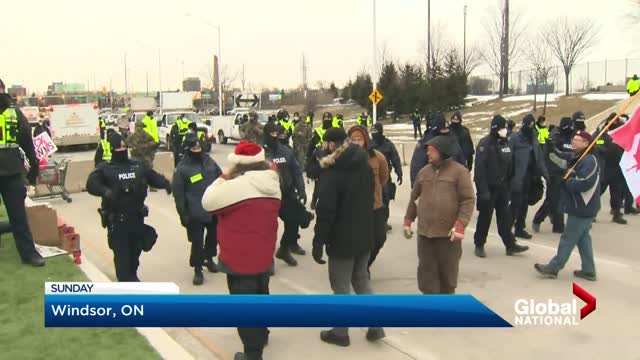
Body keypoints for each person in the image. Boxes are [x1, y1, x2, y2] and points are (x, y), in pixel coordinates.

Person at [202, 141, 280, 360]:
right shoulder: (272, 181)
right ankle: (262, 334)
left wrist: (224, 176)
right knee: (261, 295)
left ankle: (252, 354)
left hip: (238, 257)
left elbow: (208, 201)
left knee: (244, 309)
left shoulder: (238, 186)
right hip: (263, 252)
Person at [312, 127, 386, 347]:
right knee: (361, 279)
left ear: (332, 145)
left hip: (342, 239)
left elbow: (326, 212)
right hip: (364, 233)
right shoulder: (363, 165)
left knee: (341, 287)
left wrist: (318, 242)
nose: (323, 147)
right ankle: (375, 325)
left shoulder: (332, 172)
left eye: (325, 144)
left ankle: (340, 332)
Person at [86, 132, 172, 281]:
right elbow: (91, 184)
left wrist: (166, 184)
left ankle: (132, 278)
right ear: (112, 150)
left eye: (124, 147)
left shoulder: (137, 166)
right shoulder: (105, 169)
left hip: (137, 219)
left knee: (134, 256)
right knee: (123, 260)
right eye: (118, 148)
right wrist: (106, 191)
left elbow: (153, 177)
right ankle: (129, 286)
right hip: (117, 222)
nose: (122, 150)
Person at [404, 135, 475, 293]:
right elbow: (414, 198)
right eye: (427, 151)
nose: (427, 154)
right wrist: (408, 220)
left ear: (442, 152)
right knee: (426, 277)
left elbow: (468, 200)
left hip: (448, 236)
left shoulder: (459, 172)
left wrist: (460, 225)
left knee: (447, 277)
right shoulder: (423, 172)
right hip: (425, 235)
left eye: (431, 151)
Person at [534, 130, 600, 281]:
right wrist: (552, 149)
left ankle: (553, 267)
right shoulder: (579, 156)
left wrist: (568, 180)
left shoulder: (589, 160)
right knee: (583, 240)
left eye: (577, 140)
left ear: (586, 144)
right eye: (574, 139)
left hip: (583, 207)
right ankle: (589, 270)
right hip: (580, 206)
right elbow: (564, 157)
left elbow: (585, 183)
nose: (574, 141)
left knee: (568, 239)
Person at [0, 79, 44, 267]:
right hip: (11, 170)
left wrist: (33, 168)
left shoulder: (13, 112)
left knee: (18, 217)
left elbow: (26, 138)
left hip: (11, 172)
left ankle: (28, 253)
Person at [473, 116, 529, 258]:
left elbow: (510, 164)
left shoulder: (505, 144)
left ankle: (510, 245)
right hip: (488, 188)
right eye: (503, 128)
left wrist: (509, 184)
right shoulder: (485, 144)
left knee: (505, 217)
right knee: (485, 217)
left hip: (502, 187)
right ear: (496, 129)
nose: (505, 130)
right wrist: (483, 191)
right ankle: (479, 244)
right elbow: (479, 170)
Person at [172, 133, 222, 285]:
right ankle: (198, 268)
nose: (197, 150)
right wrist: (183, 214)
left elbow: (221, 178)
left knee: (213, 237)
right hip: (194, 212)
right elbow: (178, 194)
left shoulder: (209, 161)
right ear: (188, 149)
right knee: (197, 242)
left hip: (212, 209)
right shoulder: (182, 169)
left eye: (199, 147)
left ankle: (209, 258)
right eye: (194, 148)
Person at [263, 122, 307, 266]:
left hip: (286, 193)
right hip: (266, 196)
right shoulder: (258, 152)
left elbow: (296, 170)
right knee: (267, 229)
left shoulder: (285, 151)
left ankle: (285, 249)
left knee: (293, 220)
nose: (275, 137)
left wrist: (301, 189)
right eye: (272, 134)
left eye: (277, 134)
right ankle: (267, 259)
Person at [347, 126, 389, 273]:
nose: (357, 142)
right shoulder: (344, 157)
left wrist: (375, 192)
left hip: (375, 206)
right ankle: (358, 268)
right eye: (353, 139)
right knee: (358, 241)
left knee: (379, 238)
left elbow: (383, 178)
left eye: (360, 139)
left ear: (366, 140)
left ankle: (365, 265)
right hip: (354, 208)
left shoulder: (378, 157)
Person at [509, 114, 549, 239]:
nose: (530, 127)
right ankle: (506, 228)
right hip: (518, 176)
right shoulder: (515, 138)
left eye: (532, 125)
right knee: (516, 203)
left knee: (525, 202)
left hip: (531, 176)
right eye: (528, 125)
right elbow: (508, 158)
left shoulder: (534, 138)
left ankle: (520, 228)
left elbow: (540, 159)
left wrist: (546, 176)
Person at [532, 117, 575, 234]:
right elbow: (551, 156)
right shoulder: (554, 137)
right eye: (570, 127)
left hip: (566, 172)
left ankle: (553, 223)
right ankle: (556, 225)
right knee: (554, 199)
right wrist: (565, 164)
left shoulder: (571, 137)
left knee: (557, 199)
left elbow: (572, 152)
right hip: (554, 172)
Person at [410, 112, 466, 187]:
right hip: (432, 186)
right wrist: (416, 185)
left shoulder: (451, 138)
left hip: (451, 186)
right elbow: (417, 165)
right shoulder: (427, 141)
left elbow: (460, 159)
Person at [593, 113, 629, 225]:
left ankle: (617, 213)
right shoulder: (602, 133)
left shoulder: (622, 133)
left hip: (618, 168)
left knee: (617, 193)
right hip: (605, 168)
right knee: (598, 192)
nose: (615, 123)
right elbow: (595, 144)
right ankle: (592, 213)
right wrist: (602, 149)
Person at [370, 123, 402, 231]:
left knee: (386, 198)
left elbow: (395, 158)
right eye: (372, 131)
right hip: (371, 177)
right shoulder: (369, 144)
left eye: (376, 131)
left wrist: (399, 173)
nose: (374, 133)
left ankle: (383, 221)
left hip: (385, 176)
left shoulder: (388, 144)